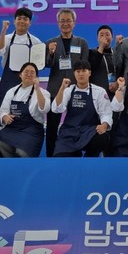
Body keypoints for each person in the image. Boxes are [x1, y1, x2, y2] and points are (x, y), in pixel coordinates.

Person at [44, 9, 90, 157]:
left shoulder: (82, 43)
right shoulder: (50, 43)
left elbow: (85, 66)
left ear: (74, 23)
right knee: (52, 126)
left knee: (77, 124)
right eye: (62, 21)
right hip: (55, 89)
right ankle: (51, 156)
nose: (65, 24)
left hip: (77, 90)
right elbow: (46, 65)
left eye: (68, 20)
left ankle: (75, 154)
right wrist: (51, 53)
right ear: (58, 23)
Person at [52, 60, 113, 157]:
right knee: (60, 159)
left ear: (90, 73)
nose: (81, 74)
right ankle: (74, 154)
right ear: (74, 73)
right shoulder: (68, 90)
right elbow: (57, 109)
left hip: (89, 131)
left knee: (102, 138)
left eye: (84, 71)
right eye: (78, 71)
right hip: (69, 132)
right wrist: (62, 88)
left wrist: (104, 125)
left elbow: (106, 113)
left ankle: (90, 159)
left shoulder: (99, 91)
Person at [0, 62, 50, 158]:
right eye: (26, 72)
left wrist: (37, 89)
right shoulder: (11, 91)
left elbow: (44, 109)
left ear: (36, 77)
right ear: (20, 74)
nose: (29, 74)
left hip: (32, 130)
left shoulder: (43, 92)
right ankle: (11, 163)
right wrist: (5, 117)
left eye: (32, 72)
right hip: (13, 128)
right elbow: (3, 110)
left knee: (22, 152)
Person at [0, 8, 42, 110]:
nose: (22, 21)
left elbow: (38, 63)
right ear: (14, 21)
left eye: (25, 19)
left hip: (28, 78)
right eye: (19, 18)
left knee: (26, 106)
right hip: (9, 77)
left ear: (30, 23)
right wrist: (3, 30)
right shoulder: (6, 38)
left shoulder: (35, 41)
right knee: (5, 106)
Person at [88, 25, 118, 94]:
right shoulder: (91, 52)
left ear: (112, 37)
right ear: (97, 38)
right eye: (101, 35)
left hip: (114, 91)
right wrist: (101, 47)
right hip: (97, 93)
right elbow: (93, 66)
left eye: (107, 35)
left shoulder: (116, 53)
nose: (104, 37)